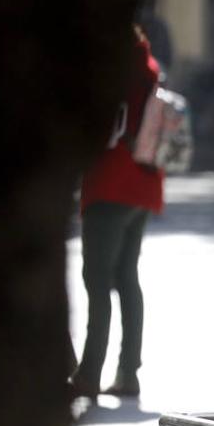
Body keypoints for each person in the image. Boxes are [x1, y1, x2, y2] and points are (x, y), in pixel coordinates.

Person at [70, 26, 164, 401]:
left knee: (96, 279)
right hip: (144, 183)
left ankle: (89, 373)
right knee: (126, 276)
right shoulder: (148, 64)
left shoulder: (111, 69)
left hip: (110, 184)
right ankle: (128, 372)